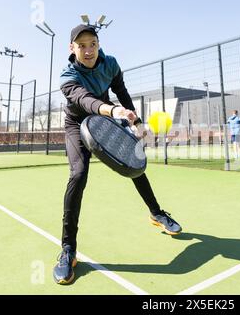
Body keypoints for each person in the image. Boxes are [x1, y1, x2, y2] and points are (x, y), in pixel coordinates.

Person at [53, 24, 182, 285]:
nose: (88, 50)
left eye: (93, 44)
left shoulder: (110, 64)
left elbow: (121, 91)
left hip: (109, 116)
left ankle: (157, 213)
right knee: (78, 175)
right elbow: (84, 100)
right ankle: (68, 249)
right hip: (78, 123)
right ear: (72, 48)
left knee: (135, 163)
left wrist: (137, 123)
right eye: (82, 45)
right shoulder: (67, 76)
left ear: (98, 45)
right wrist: (114, 112)